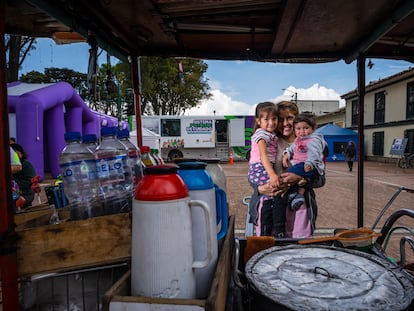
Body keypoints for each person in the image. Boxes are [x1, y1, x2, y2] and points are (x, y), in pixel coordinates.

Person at [248, 101, 325, 238]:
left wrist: (300, 180)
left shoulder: (311, 143)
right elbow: (254, 174)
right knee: (269, 248)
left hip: (298, 209)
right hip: (270, 208)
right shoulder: (267, 141)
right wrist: (259, 189)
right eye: (280, 119)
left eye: (289, 118)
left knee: (297, 253)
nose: (285, 123)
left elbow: (320, 179)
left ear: (297, 119)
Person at [247, 102, 284, 237]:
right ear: (258, 120)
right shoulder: (261, 134)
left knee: (271, 197)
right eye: (266, 119)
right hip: (260, 168)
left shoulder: (271, 134)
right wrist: (272, 174)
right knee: (275, 192)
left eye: (274, 119)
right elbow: (263, 156)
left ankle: (271, 230)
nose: (271, 123)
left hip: (263, 168)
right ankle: (273, 230)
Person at [282, 114, 326, 211]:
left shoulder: (313, 140)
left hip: (309, 165)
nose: (302, 131)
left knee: (291, 173)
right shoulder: (298, 140)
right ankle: (299, 195)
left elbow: (314, 153)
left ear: (313, 128)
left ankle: (293, 193)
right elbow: (292, 148)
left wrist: (310, 163)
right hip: (302, 164)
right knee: (294, 174)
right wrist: (287, 154)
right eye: (298, 129)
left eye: (306, 128)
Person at [11, 143, 37, 208]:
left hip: (26, 193)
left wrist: (14, 183)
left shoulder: (26, 165)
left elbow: (29, 181)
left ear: (20, 154)